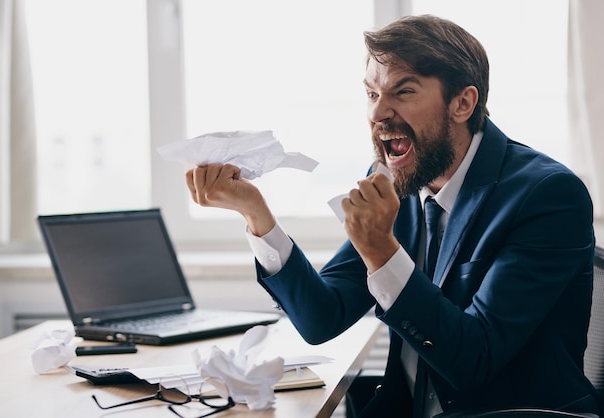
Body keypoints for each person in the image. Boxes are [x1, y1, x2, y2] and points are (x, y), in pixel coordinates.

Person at [184, 14, 599, 418]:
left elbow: (475, 362)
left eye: (403, 92)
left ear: (463, 103)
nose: (378, 113)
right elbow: (320, 318)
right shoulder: (397, 182)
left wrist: (381, 250)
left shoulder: (547, 196)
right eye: (371, 94)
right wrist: (256, 214)